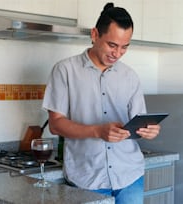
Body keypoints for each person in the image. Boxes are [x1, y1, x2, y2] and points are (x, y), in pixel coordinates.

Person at [42, 2, 160, 204]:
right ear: (95, 34)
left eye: (124, 47)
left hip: (129, 175)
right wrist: (98, 131)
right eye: (112, 45)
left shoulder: (130, 76)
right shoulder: (65, 70)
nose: (118, 53)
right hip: (87, 178)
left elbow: (137, 121)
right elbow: (55, 124)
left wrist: (148, 130)